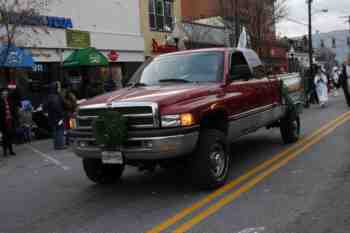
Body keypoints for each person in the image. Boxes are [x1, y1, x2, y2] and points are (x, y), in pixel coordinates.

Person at [46, 82, 66, 150]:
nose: (60, 89)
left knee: (55, 131)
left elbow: (45, 107)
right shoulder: (57, 96)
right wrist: (62, 114)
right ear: (56, 88)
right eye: (59, 87)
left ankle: (56, 145)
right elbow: (57, 107)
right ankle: (60, 145)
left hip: (51, 117)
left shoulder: (49, 96)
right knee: (60, 130)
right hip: (58, 117)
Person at [0, 88, 18, 156]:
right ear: (1, 93)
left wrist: (13, 117)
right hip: (3, 121)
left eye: (6, 92)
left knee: (10, 135)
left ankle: (11, 150)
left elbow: (13, 110)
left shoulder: (9, 100)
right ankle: (5, 151)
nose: (6, 93)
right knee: (5, 136)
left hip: (10, 120)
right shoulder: (0, 101)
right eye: (4, 92)